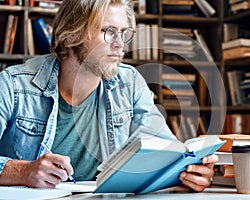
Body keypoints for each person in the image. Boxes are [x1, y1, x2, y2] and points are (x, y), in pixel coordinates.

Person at [0, 0, 218, 192]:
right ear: (72, 34)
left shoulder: (130, 83)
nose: (120, 44)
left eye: (124, 33)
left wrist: (190, 172)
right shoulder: (13, 85)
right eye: (108, 31)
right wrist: (22, 171)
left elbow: (166, 152)